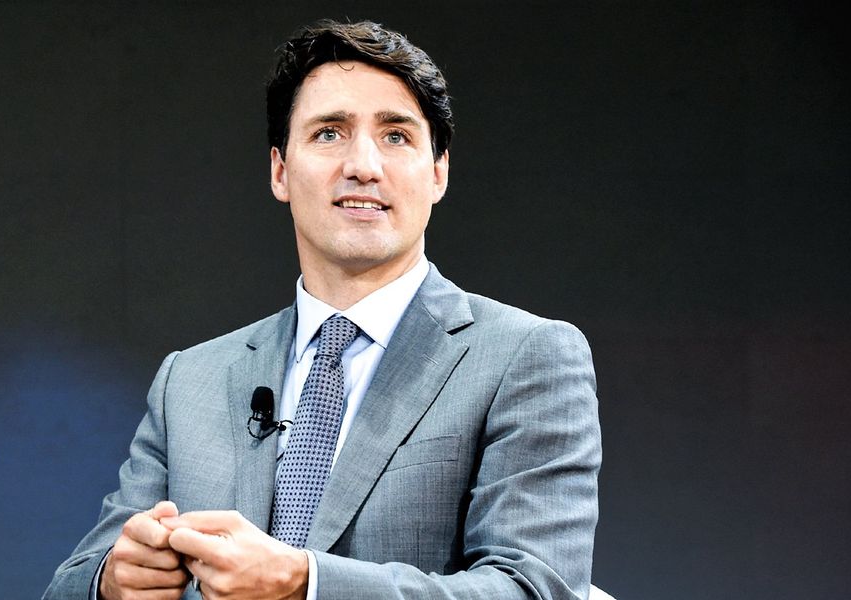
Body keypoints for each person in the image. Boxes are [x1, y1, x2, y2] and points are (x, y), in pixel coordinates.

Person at [43, 19, 601, 600]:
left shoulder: (525, 357)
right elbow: (72, 583)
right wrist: (114, 581)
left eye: (396, 136)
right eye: (329, 133)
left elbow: (534, 589)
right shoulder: (189, 381)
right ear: (280, 171)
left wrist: (305, 583)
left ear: (438, 172)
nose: (364, 165)